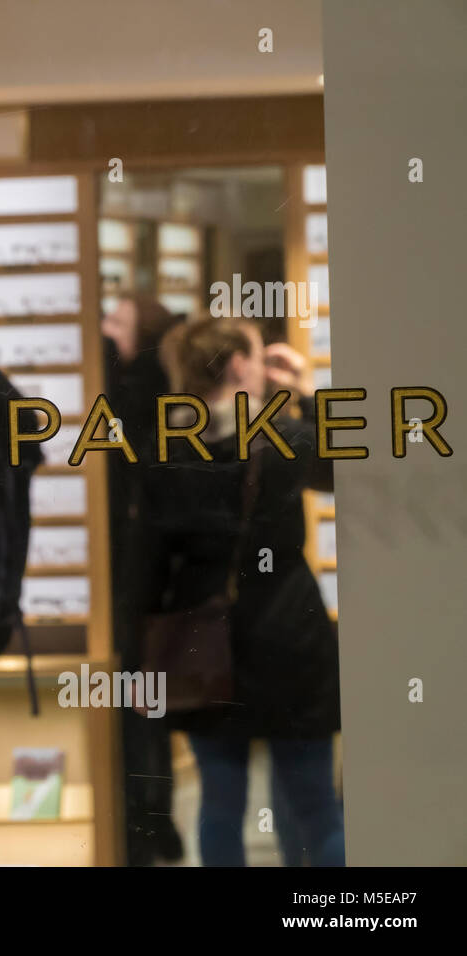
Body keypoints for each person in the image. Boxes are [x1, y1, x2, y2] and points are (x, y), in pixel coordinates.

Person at [144, 316, 344, 866]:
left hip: (203, 646)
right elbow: (341, 467)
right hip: (289, 635)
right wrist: (301, 394)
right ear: (237, 365)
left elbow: (150, 557)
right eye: (257, 357)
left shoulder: (166, 445)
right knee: (316, 806)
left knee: (219, 803)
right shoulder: (288, 439)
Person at [101, 295, 185, 865]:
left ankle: (142, 823)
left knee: (139, 703)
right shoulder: (163, 391)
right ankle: (155, 818)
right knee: (150, 707)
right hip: (157, 579)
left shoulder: (130, 391)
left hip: (137, 579)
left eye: (116, 321)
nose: (105, 329)